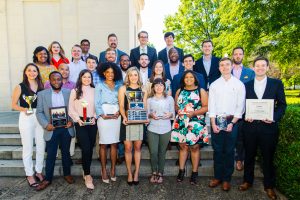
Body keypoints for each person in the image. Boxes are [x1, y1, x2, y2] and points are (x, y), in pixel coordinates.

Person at [238, 57, 286, 200]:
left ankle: (269, 186)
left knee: (268, 158)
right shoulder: (245, 85)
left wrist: (274, 117)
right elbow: (242, 106)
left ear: (267, 67)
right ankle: (247, 181)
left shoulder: (276, 84)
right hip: (250, 127)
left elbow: (282, 105)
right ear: (253, 68)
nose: (260, 68)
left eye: (263, 65)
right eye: (257, 66)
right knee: (249, 156)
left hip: (269, 128)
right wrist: (245, 115)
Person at [208, 57, 245, 191]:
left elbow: (240, 106)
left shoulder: (239, 84)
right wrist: (213, 123)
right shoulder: (214, 85)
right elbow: (211, 106)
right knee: (217, 150)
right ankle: (217, 177)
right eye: (222, 65)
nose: (224, 67)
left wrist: (233, 123)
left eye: (227, 65)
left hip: (232, 121)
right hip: (217, 120)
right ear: (219, 68)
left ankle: (226, 179)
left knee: (229, 151)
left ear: (231, 66)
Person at [35, 71, 75, 191]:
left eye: (59, 79)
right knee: (51, 154)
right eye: (54, 79)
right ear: (50, 81)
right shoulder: (42, 94)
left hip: (66, 129)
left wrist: (71, 121)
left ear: (62, 80)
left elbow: (74, 109)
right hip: (51, 129)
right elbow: (39, 112)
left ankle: (67, 174)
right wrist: (46, 125)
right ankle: (48, 178)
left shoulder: (69, 93)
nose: (56, 82)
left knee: (66, 153)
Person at [171, 70, 209, 185]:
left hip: (195, 122)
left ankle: (194, 173)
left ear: (195, 79)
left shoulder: (200, 91)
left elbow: (206, 107)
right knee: (182, 147)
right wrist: (179, 110)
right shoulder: (179, 91)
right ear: (183, 79)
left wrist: (194, 113)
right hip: (181, 122)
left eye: (191, 77)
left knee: (194, 147)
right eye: (186, 77)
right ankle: (181, 171)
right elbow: (176, 106)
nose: (188, 79)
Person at [11, 63, 45, 188]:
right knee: (28, 146)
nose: (32, 73)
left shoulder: (41, 86)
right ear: (25, 72)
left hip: (40, 116)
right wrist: (24, 109)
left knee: (41, 145)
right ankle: (30, 174)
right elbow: (13, 104)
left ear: (37, 72)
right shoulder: (20, 87)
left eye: (34, 70)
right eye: (29, 70)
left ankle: (39, 171)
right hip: (26, 116)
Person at [118, 67, 148, 186]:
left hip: (139, 120)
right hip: (127, 121)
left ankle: (137, 173)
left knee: (137, 148)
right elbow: (121, 105)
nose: (133, 77)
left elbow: (144, 106)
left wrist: (146, 118)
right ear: (128, 77)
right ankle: (130, 173)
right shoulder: (123, 88)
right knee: (128, 148)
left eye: (135, 75)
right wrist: (124, 117)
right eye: (131, 75)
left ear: (138, 76)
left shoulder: (143, 89)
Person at [68, 69, 97, 190]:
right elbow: (70, 108)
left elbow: (98, 105)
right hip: (80, 122)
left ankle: (86, 171)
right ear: (80, 78)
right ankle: (87, 174)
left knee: (90, 148)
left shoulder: (95, 90)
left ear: (91, 79)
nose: (86, 79)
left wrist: (95, 116)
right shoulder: (75, 91)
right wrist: (77, 119)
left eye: (89, 77)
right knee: (85, 148)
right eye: (84, 77)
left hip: (92, 122)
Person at [95, 62, 123, 183]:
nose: (110, 74)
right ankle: (103, 170)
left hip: (116, 114)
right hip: (103, 115)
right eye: (108, 72)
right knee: (103, 143)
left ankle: (112, 169)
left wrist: (120, 112)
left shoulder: (119, 85)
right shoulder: (99, 85)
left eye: (112, 72)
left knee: (114, 143)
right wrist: (102, 114)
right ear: (103, 73)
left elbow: (122, 101)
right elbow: (96, 102)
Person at [231, 47, 255, 171]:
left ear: (243, 56)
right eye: (236, 54)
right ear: (232, 56)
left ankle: (240, 159)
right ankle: (233, 158)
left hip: (244, 109)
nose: (238, 56)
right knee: (231, 135)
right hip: (229, 108)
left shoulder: (250, 72)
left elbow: (252, 91)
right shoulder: (226, 70)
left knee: (241, 136)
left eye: (240, 54)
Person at [147, 78, 174, 183]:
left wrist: (170, 114)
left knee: (162, 152)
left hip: (166, 128)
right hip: (152, 128)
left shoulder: (170, 99)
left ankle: (160, 173)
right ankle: (154, 171)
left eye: (161, 85)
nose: (159, 87)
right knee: (153, 152)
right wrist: (151, 115)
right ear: (153, 87)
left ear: (164, 87)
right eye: (156, 85)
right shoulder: (149, 100)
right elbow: (147, 113)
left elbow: (172, 113)